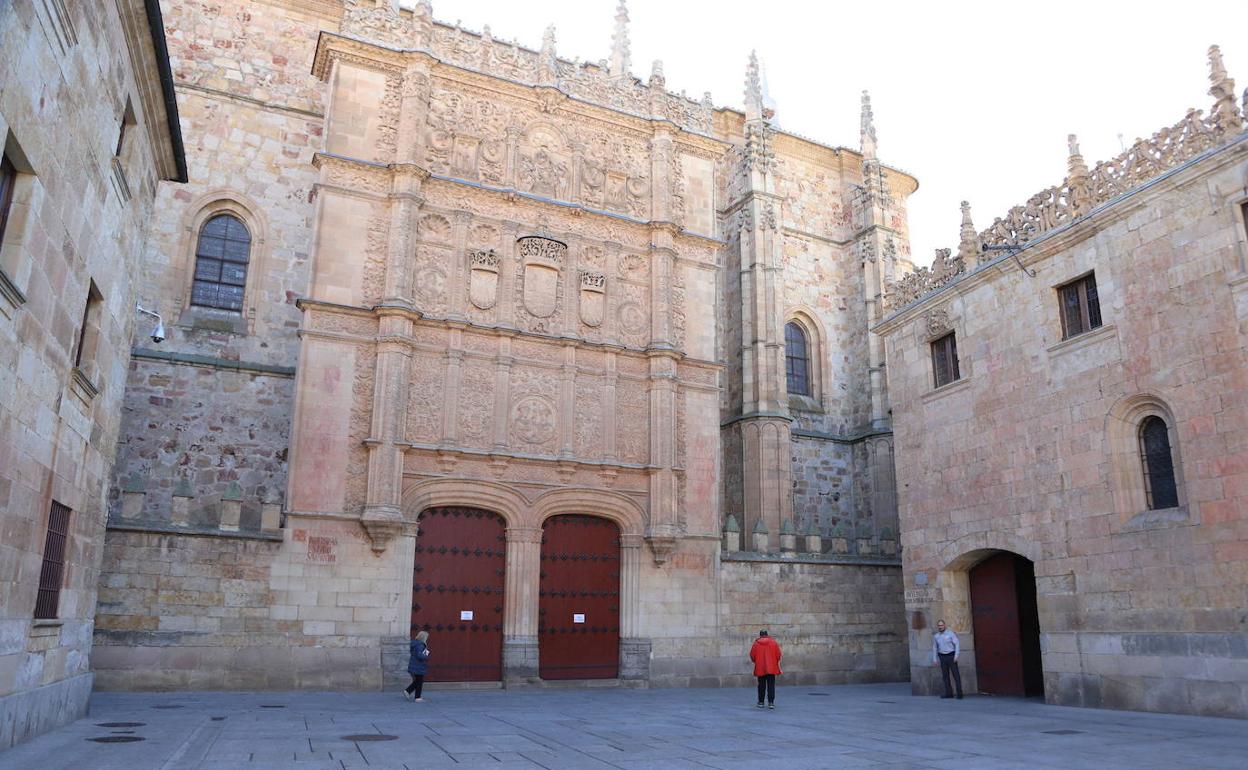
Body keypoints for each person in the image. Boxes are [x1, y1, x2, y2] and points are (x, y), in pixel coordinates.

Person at [749, 629, 782, 709]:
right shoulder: (773, 642)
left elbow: (752, 655)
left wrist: (757, 661)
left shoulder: (756, 644)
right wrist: (774, 662)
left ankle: (761, 702)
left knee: (761, 685)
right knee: (771, 685)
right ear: (767, 635)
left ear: (760, 635)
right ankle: (771, 702)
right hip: (771, 668)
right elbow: (778, 655)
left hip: (760, 667)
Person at [931, 619, 963, 699]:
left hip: (951, 656)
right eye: (939, 625)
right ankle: (949, 693)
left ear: (944, 626)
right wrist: (935, 659)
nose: (940, 627)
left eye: (941, 625)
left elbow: (957, 644)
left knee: (956, 675)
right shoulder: (936, 636)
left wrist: (956, 655)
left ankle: (959, 694)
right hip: (942, 657)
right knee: (945, 676)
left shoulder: (951, 634)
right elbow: (935, 647)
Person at [404, 630, 431, 702]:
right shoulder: (420, 645)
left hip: (415, 665)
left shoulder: (415, 644)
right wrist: (426, 656)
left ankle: (409, 691)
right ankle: (417, 697)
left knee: (418, 681)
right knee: (419, 681)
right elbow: (419, 655)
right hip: (418, 666)